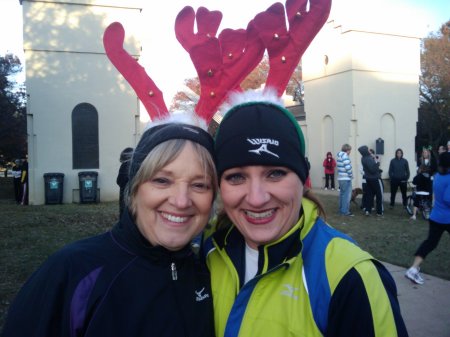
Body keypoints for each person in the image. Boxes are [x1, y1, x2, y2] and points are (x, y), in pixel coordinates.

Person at [206, 91, 408, 337]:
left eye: (275, 173)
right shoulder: (206, 254)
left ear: (302, 180)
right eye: (236, 177)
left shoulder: (351, 277)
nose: (256, 198)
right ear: (220, 186)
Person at [2, 122, 217, 337]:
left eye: (199, 185)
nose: (181, 201)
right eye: (162, 180)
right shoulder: (73, 272)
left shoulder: (210, 275)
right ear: (134, 191)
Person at [405, 152, 450, 284]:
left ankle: (413, 269)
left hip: (435, 217)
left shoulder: (437, 177)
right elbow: (448, 199)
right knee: (430, 243)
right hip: (447, 218)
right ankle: (413, 270)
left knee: (430, 243)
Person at [359, 145, 384, 216]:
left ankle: (368, 210)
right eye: (368, 150)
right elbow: (373, 170)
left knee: (369, 195)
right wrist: (378, 162)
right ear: (365, 151)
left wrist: (373, 157)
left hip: (368, 179)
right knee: (379, 195)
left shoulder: (363, 158)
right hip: (375, 178)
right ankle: (379, 212)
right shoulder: (368, 159)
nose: (369, 151)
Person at [336, 143, 354, 216]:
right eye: (350, 150)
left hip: (340, 178)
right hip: (346, 178)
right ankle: (345, 211)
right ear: (347, 150)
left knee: (342, 195)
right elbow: (348, 167)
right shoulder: (345, 156)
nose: (350, 152)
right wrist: (351, 175)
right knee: (346, 195)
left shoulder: (339, 156)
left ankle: (341, 209)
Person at [116, 147, 133, 217]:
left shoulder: (125, 165)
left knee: (124, 210)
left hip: (124, 192)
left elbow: (119, 180)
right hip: (132, 193)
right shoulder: (135, 165)